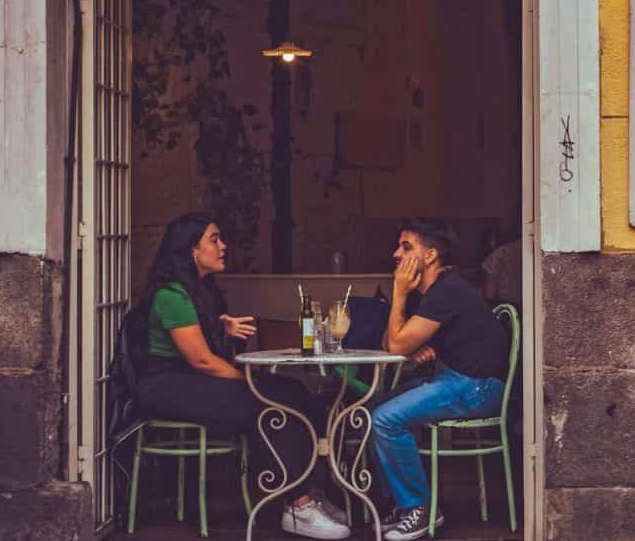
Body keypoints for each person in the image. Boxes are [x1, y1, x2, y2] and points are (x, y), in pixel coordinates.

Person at [133, 214, 351, 540]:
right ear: (192, 249)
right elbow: (203, 360)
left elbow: (199, 339)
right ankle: (297, 505)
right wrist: (249, 382)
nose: (223, 246)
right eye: (214, 239)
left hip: (193, 378)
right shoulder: (171, 295)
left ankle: (311, 490)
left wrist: (224, 327)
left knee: (292, 391)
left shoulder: (200, 291)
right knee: (267, 407)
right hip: (167, 385)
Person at [372, 218, 510, 541]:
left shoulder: (446, 291)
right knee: (372, 408)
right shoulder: (435, 292)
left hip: (478, 387)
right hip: (457, 379)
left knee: (384, 418)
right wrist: (412, 343)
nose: (396, 253)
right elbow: (391, 343)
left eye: (406, 247)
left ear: (431, 255)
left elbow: (394, 344)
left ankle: (419, 509)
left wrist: (398, 294)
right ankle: (397, 501)